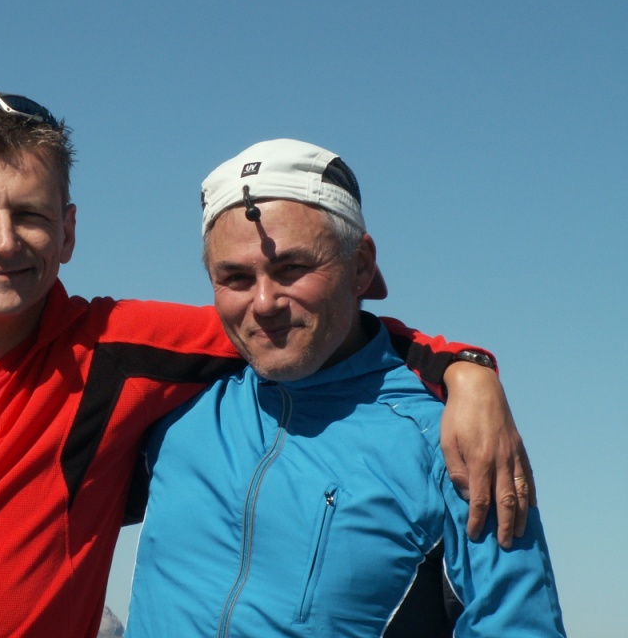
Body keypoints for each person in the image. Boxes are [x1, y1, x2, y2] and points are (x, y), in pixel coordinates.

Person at [0, 93, 531, 638]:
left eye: (30, 215)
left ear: (69, 232)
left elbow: (301, 324)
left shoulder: (121, 354)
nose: (3, 240)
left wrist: (465, 369)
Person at [125, 138, 565, 637]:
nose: (264, 302)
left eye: (292, 268)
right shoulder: (172, 399)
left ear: (360, 266)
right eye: (236, 278)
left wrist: (471, 373)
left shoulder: (454, 442)